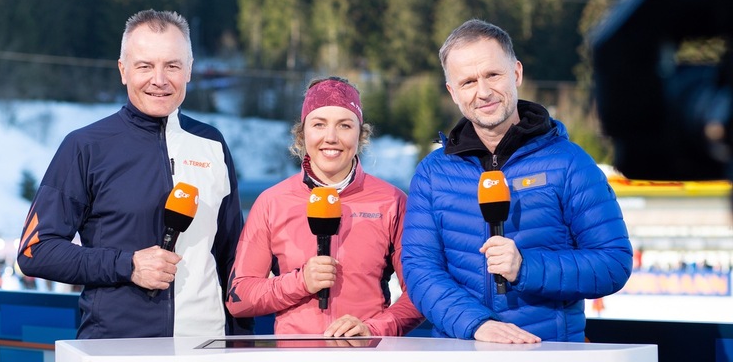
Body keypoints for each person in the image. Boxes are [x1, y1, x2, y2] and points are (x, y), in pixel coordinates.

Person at [17, 9, 252, 339]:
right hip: (115, 346)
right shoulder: (85, 146)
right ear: (123, 70)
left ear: (189, 71)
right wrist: (126, 265)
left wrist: (241, 344)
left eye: (172, 65)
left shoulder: (212, 144)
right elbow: (35, 251)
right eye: (145, 65)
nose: (159, 79)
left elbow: (233, 259)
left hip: (206, 345)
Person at [401, 19, 633, 343]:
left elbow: (613, 262)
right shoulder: (432, 174)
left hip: (547, 350)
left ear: (517, 73)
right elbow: (420, 270)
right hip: (462, 350)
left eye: (492, 75)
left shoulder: (569, 162)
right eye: (468, 82)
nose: (483, 92)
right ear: (453, 93)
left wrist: (527, 268)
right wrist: (476, 325)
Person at [225, 77, 424, 337]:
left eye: (344, 125)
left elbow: (420, 295)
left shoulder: (392, 201)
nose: (331, 137)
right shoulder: (272, 202)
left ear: (360, 134)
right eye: (319, 124)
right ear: (302, 132)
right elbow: (239, 298)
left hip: (366, 356)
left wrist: (373, 329)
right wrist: (300, 282)